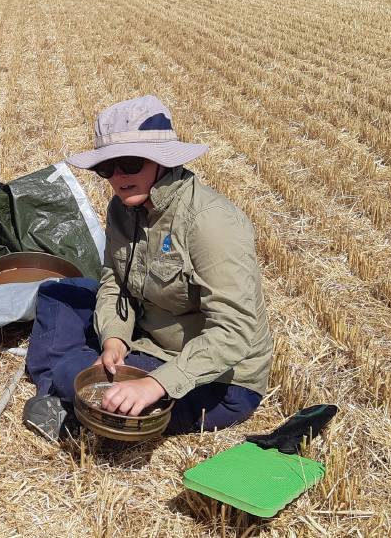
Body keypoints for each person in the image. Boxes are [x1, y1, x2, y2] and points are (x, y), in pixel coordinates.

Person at [23, 95, 272, 442]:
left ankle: (65, 392)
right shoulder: (121, 209)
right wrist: (113, 340)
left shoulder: (211, 223)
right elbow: (115, 284)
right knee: (59, 292)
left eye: (130, 164)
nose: (119, 177)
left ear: (162, 162)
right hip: (145, 341)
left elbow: (235, 331)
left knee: (74, 375)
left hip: (215, 379)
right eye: (107, 168)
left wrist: (155, 384)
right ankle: (67, 390)